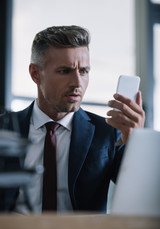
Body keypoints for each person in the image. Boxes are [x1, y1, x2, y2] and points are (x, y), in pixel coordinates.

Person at [0, 25, 145, 213]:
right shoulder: (4, 129)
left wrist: (137, 144)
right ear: (35, 74)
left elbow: (141, 198)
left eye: (84, 71)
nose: (77, 83)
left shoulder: (109, 132)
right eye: (65, 71)